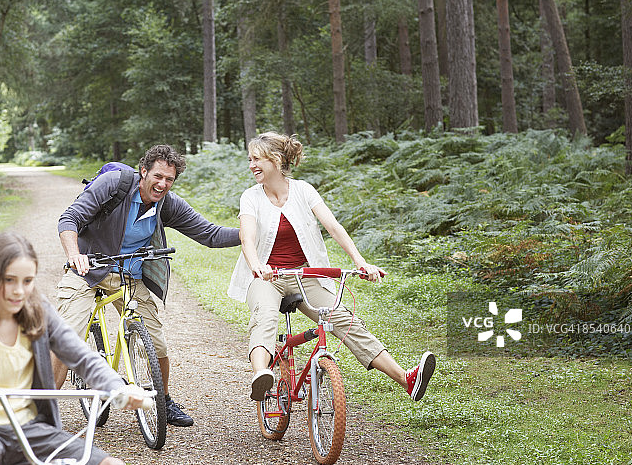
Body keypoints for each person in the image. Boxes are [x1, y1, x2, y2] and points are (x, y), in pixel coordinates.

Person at [228, 132, 436, 403]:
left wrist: (360, 262)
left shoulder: (303, 190)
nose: (252, 165)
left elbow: (334, 227)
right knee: (265, 317)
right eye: (250, 159)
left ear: (276, 160)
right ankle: (261, 375)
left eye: (256, 159)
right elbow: (248, 237)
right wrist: (258, 267)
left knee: (343, 319)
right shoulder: (251, 197)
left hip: (304, 274)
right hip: (267, 277)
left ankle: (406, 379)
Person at [0, 232, 150, 465]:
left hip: (31, 430)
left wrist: (118, 388)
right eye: (9, 280)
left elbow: (82, 357)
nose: (19, 291)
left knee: (111, 464)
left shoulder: (39, 312)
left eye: (27, 281)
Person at [53, 144, 240, 427]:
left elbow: (209, 234)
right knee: (67, 339)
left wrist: (249, 232)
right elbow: (70, 218)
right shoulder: (113, 185)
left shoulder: (167, 204)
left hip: (129, 275)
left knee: (157, 344)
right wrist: (74, 255)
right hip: (88, 270)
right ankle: (44, 411)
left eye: (169, 179)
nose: (162, 184)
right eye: (158, 176)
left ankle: (163, 400)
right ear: (143, 171)